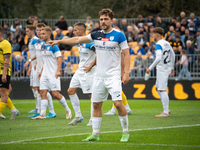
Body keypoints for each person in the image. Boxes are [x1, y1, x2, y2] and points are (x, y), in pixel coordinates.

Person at [48, 8, 130, 142]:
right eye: (101, 19)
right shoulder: (96, 34)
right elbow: (77, 39)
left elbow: (126, 54)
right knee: (96, 105)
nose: (103, 21)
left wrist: (126, 73)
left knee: (117, 103)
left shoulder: (119, 35)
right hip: (98, 77)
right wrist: (58, 41)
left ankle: (125, 132)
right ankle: (95, 134)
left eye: (106, 19)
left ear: (111, 20)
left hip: (113, 76)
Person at [32, 26, 71, 120]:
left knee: (55, 94)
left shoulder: (54, 45)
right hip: (45, 72)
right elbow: (44, 60)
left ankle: (67, 109)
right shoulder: (42, 46)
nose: (41, 35)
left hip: (53, 73)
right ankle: (42, 114)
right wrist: (41, 71)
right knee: (42, 92)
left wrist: (58, 70)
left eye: (43, 33)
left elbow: (59, 58)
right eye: (40, 34)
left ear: (49, 34)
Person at [24, 23, 56, 119]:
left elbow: (40, 55)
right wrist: (30, 66)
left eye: (40, 30)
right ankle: (40, 109)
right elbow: (37, 54)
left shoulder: (39, 42)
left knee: (42, 90)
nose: (39, 32)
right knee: (37, 89)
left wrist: (31, 62)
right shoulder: (34, 41)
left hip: (40, 68)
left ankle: (46, 110)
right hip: (35, 67)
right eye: (38, 30)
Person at [66, 22, 95, 126]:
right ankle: (78, 116)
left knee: (92, 95)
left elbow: (99, 54)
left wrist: (91, 65)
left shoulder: (90, 42)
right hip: (80, 71)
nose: (73, 32)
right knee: (70, 91)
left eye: (75, 30)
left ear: (81, 31)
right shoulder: (80, 41)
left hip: (89, 72)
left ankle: (93, 119)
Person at [146, 27, 175, 117]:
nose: (152, 35)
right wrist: (172, 67)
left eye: (153, 34)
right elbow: (173, 54)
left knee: (162, 89)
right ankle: (166, 109)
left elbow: (158, 58)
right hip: (166, 68)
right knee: (158, 88)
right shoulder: (166, 43)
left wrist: (150, 68)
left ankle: (165, 112)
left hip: (162, 69)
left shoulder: (158, 44)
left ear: (157, 34)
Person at [0, 26, 20, 119]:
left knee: (3, 94)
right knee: (6, 91)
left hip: (2, 72)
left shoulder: (5, 44)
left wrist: (4, 74)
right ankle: (13, 110)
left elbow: (7, 60)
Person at [25, 25, 40, 114]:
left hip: (37, 67)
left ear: (32, 31)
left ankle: (39, 108)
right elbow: (32, 54)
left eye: (28, 31)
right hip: (33, 66)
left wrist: (30, 61)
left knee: (37, 88)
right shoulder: (30, 41)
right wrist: (30, 67)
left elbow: (38, 54)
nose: (27, 33)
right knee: (33, 86)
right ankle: (37, 107)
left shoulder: (36, 40)